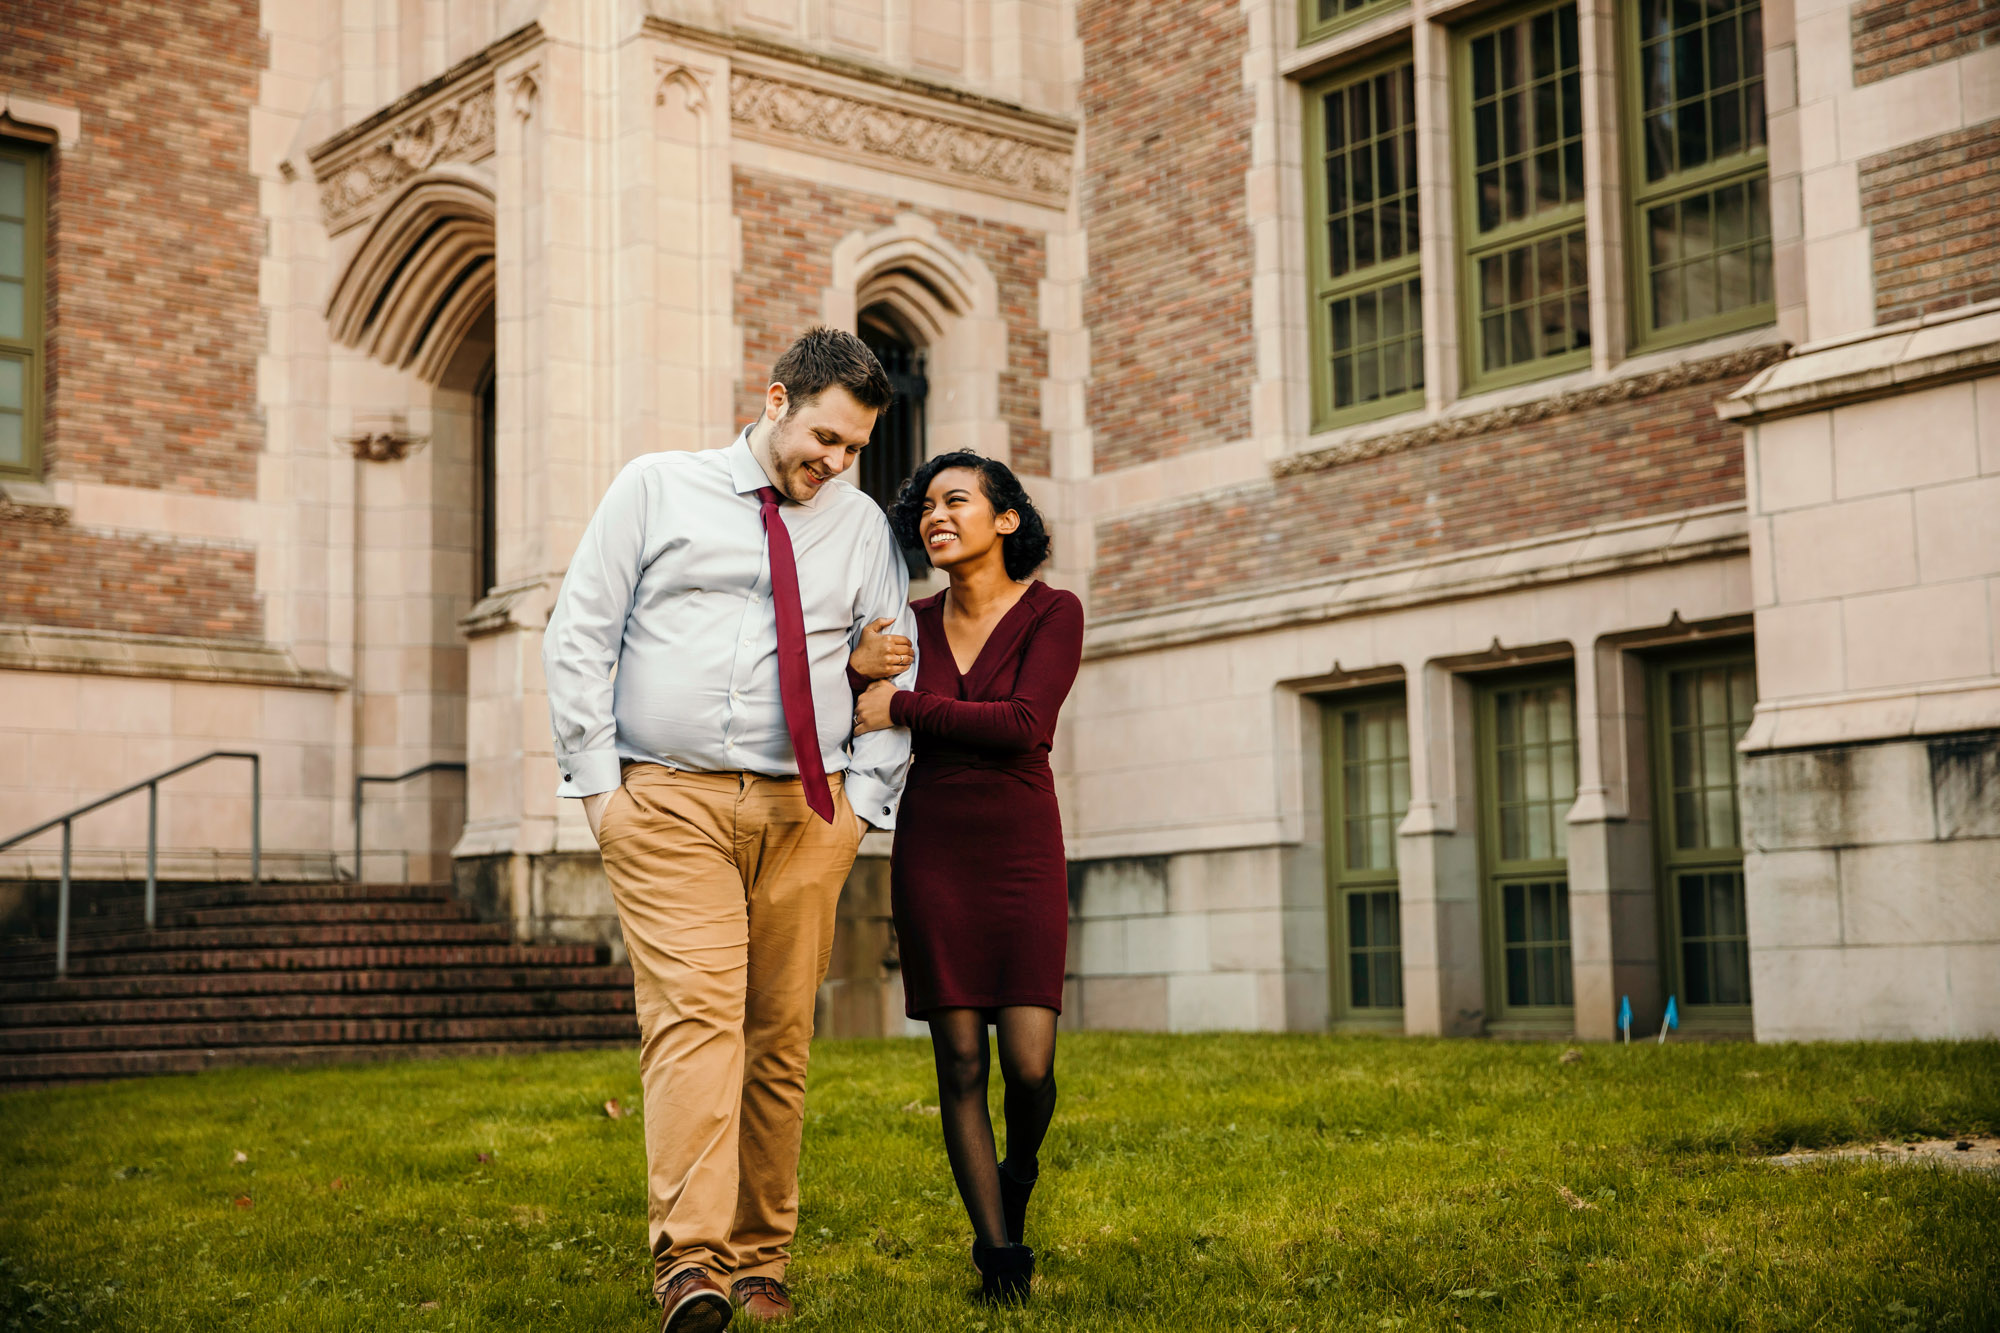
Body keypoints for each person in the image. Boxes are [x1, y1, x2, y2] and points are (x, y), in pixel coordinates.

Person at [542, 328, 919, 1333]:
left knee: (779, 1037)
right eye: (824, 438)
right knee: (698, 1019)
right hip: (669, 802)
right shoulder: (656, 489)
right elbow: (581, 630)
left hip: (808, 810)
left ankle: (761, 1258)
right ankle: (691, 1265)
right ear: (774, 399)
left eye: (852, 450)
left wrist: (863, 807)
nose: (833, 464)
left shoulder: (858, 529)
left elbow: (895, 667)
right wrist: (597, 789)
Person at [848, 450, 1084, 1304]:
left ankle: (1018, 1168)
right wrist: (861, 672)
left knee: (1027, 1064)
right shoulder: (905, 626)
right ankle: (1000, 1260)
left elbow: (1023, 725)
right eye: (925, 507)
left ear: (1006, 519)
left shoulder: (1055, 611)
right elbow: (851, 705)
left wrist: (905, 704)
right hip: (934, 846)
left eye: (957, 501)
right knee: (958, 1062)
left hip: (1021, 844)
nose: (935, 516)